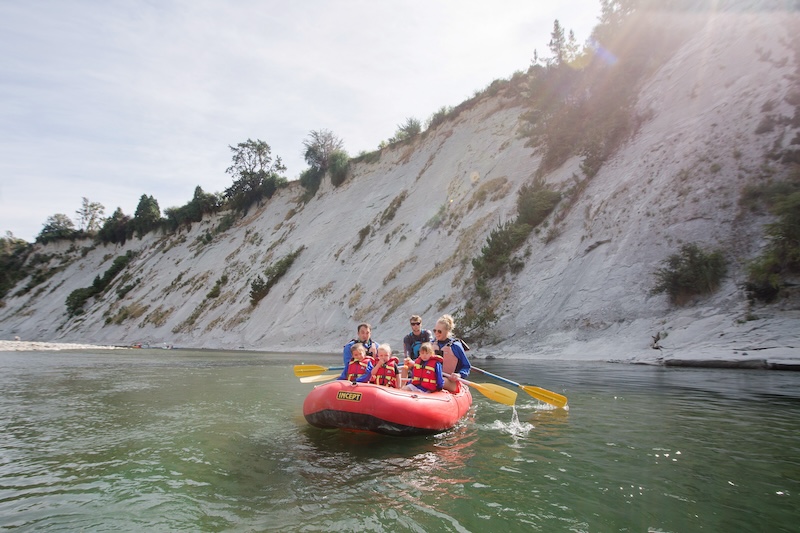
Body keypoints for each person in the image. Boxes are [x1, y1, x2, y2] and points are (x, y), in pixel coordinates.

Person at [431, 314, 470, 393]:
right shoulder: (431, 345)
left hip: (451, 382)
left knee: (439, 380)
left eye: (439, 331)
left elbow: (466, 366)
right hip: (432, 379)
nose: (436, 333)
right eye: (435, 330)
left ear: (447, 331)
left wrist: (459, 375)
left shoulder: (455, 346)